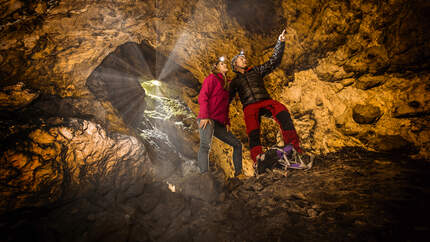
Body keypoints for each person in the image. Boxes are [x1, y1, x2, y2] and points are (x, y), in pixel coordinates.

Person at [229, 30, 304, 170]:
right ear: (235, 65)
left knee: (282, 111)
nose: (244, 59)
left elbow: (273, 62)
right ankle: (258, 159)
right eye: (241, 58)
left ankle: (293, 147)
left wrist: (279, 43)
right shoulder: (234, 82)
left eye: (244, 58)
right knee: (253, 131)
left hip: (265, 100)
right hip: (249, 106)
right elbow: (227, 98)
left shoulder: (256, 71)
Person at [197, 56, 243, 177]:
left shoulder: (226, 85)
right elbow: (203, 96)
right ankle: (204, 174)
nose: (225, 64)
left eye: (225, 63)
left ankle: (239, 174)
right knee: (205, 146)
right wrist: (205, 116)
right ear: (216, 67)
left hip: (219, 122)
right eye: (222, 63)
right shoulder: (211, 78)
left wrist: (227, 122)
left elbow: (225, 106)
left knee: (237, 144)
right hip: (207, 118)